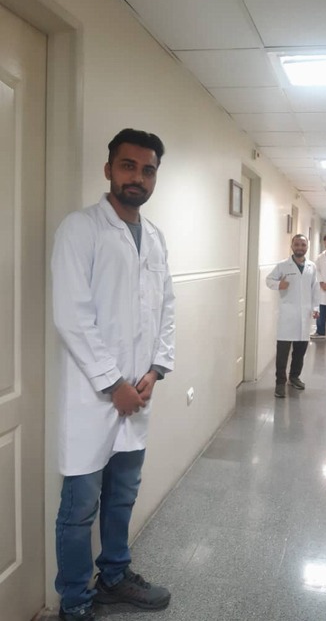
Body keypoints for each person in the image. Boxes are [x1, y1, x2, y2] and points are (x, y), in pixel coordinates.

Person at [51, 129, 175, 621]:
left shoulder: (156, 238)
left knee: (122, 496)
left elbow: (166, 308)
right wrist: (113, 383)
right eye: (128, 166)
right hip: (93, 397)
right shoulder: (80, 229)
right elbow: (71, 315)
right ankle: (75, 601)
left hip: (139, 393)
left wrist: (156, 370)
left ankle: (116, 576)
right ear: (108, 169)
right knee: (79, 508)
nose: (137, 177)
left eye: (148, 170)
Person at [266, 234, 320, 398]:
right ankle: (280, 383)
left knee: (300, 350)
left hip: (305, 314)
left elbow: (315, 288)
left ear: (307, 247)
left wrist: (316, 307)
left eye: (303, 245)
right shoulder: (283, 265)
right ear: (292, 246)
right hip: (287, 315)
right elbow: (269, 280)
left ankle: (294, 377)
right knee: (282, 352)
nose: (300, 248)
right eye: (297, 244)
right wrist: (279, 284)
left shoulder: (311, 266)